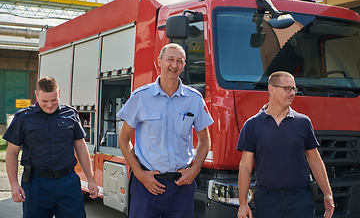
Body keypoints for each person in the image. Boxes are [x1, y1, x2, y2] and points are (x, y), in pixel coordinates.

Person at [117, 43, 214, 218]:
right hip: (147, 186)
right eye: (170, 59)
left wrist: (195, 170)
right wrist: (140, 174)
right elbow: (123, 139)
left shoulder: (194, 99)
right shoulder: (141, 97)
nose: (174, 65)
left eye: (179, 61)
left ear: (184, 66)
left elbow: (205, 140)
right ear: (159, 61)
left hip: (181, 187)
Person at [236, 71, 335, 218]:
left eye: (294, 89)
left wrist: (328, 194)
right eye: (287, 88)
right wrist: (243, 204)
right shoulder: (252, 125)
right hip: (266, 201)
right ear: (271, 89)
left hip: (300, 200)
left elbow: (315, 161)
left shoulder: (303, 122)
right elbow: (245, 167)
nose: (292, 93)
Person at [4, 76, 98, 218]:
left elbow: (81, 148)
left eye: (54, 100)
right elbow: (11, 152)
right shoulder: (22, 118)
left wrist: (90, 179)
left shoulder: (71, 114)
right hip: (36, 183)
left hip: (68, 183)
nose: (49, 105)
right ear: (36, 95)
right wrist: (14, 184)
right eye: (44, 101)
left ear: (59, 93)